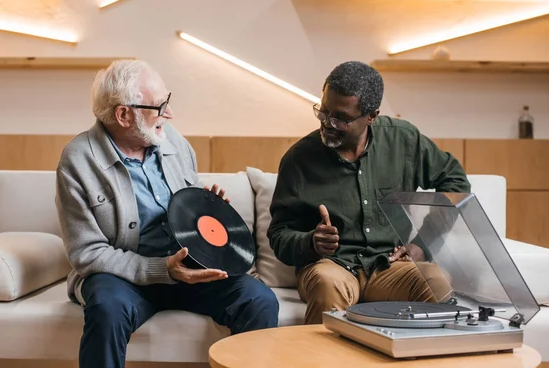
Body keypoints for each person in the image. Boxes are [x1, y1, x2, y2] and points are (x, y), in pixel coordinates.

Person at [55, 59, 279, 368]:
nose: (169, 114)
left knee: (259, 299)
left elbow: (187, 201)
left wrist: (205, 210)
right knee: (107, 308)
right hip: (122, 278)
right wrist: (162, 269)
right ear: (124, 114)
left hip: (190, 268)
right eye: (160, 106)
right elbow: (87, 253)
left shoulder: (172, 139)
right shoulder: (78, 160)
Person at [267, 61, 470, 325]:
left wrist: (422, 245)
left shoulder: (403, 140)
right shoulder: (299, 159)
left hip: (390, 266)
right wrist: (311, 242)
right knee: (328, 285)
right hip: (331, 267)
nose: (327, 124)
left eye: (340, 118)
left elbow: (455, 182)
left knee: (435, 282)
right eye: (323, 112)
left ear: (371, 116)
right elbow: (279, 234)